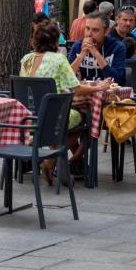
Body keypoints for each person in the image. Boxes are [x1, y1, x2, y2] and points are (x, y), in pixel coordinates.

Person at [20, 23, 113, 184]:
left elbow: (64, 78)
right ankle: (53, 161)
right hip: (52, 116)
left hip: (28, 116)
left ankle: (57, 164)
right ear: (56, 42)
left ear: (34, 41)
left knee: (69, 120)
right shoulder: (58, 59)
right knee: (84, 117)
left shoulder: (26, 59)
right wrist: (100, 87)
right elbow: (76, 89)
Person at [68, 12, 126, 84]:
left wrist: (96, 53)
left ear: (106, 31)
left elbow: (117, 79)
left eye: (95, 30)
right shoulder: (77, 46)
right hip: (85, 92)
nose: (89, 34)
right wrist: (82, 55)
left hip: (109, 93)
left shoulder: (117, 47)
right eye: (87, 28)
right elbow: (67, 78)